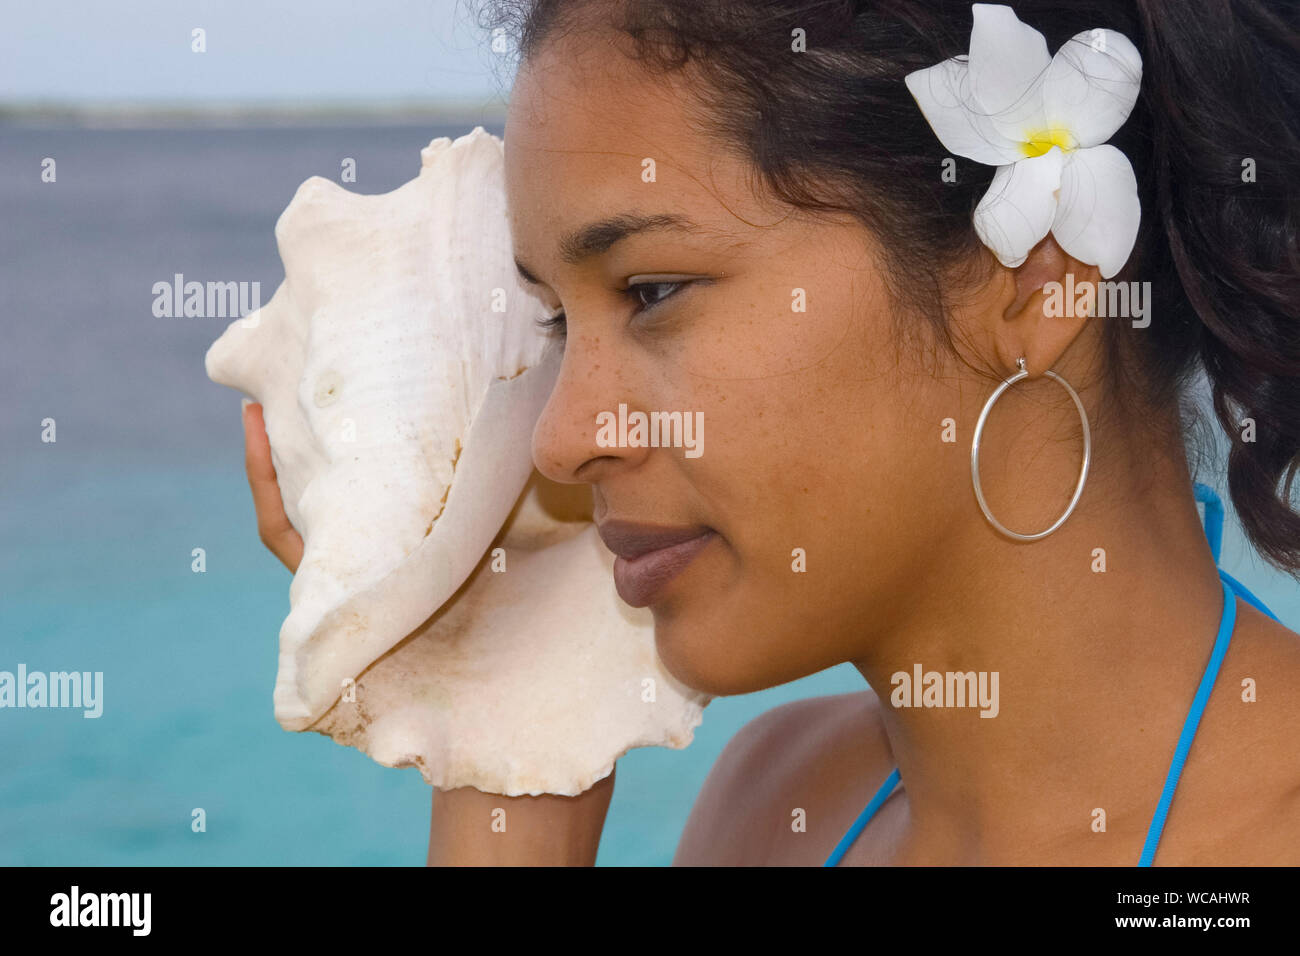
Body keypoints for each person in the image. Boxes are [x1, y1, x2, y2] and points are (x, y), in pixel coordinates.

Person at [242, 0, 1300, 864]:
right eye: (558, 321)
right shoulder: (774, 807)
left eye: (651, 289)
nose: (560, 439)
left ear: (1034, 281)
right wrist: (507, 725)